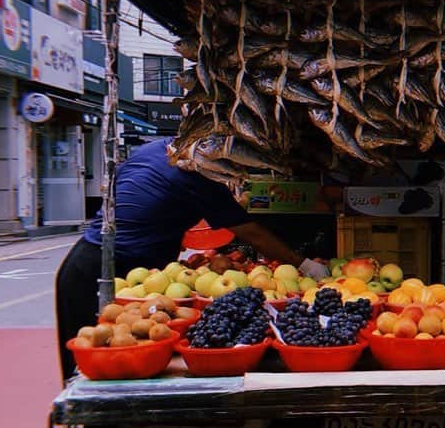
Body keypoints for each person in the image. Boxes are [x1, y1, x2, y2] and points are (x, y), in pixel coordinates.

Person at [56, 136, 330, 382]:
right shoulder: (196, 176)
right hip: (102, 273)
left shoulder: (157, 149)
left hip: (95, 264)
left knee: (117, 364)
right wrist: (305, 265)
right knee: (93, 371)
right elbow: (250, 233)